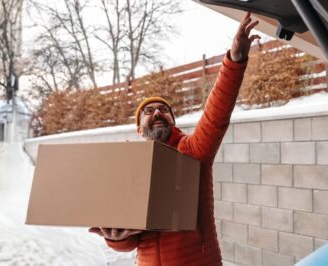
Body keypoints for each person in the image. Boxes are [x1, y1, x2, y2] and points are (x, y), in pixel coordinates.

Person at [89, 12, 260, 266]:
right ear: (139, 129)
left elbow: (216, 114)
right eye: (148, 111)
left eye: (164, 110)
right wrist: (117, 237)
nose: (157, 112)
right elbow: (132, 241)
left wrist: (234, 61)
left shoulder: (192, 151)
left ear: (173, 122)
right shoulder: (132, 170)